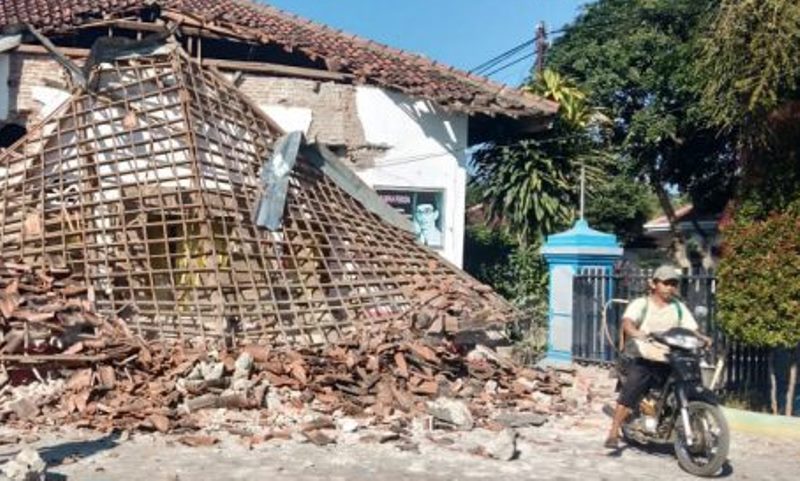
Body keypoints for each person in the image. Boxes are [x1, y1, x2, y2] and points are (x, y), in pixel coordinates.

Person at [604, 264, 708, 449]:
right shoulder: (641, 304)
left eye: (674, 284)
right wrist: (636, 333)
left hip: (670, 357)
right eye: (666, 283)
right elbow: (628, 322)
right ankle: (613, 432)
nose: (670, 287)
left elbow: (691, 328)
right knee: (631, 391)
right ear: (653, 284)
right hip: (644, 356)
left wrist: (702, 337)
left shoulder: (678, 307)